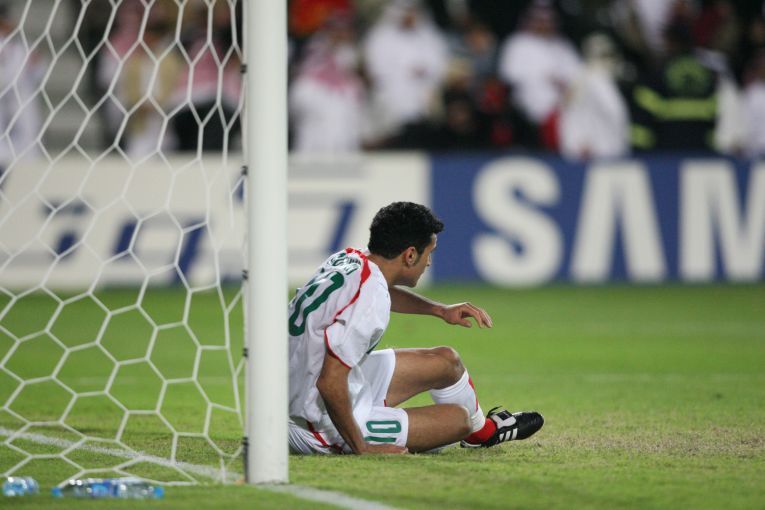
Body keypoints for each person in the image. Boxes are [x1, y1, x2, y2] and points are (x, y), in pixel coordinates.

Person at [288, 202, 544, 455]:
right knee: (459, 421)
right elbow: (330, 382)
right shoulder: (369, 299)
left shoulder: (350, 258)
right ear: (410, 255)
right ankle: (360, 432)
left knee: (446, 361)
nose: (429, 262)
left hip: (301, 383)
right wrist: (363, 448)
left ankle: (482, 434)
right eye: (429, 253)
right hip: (315, 419)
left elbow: (382, 291)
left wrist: (440, 310)